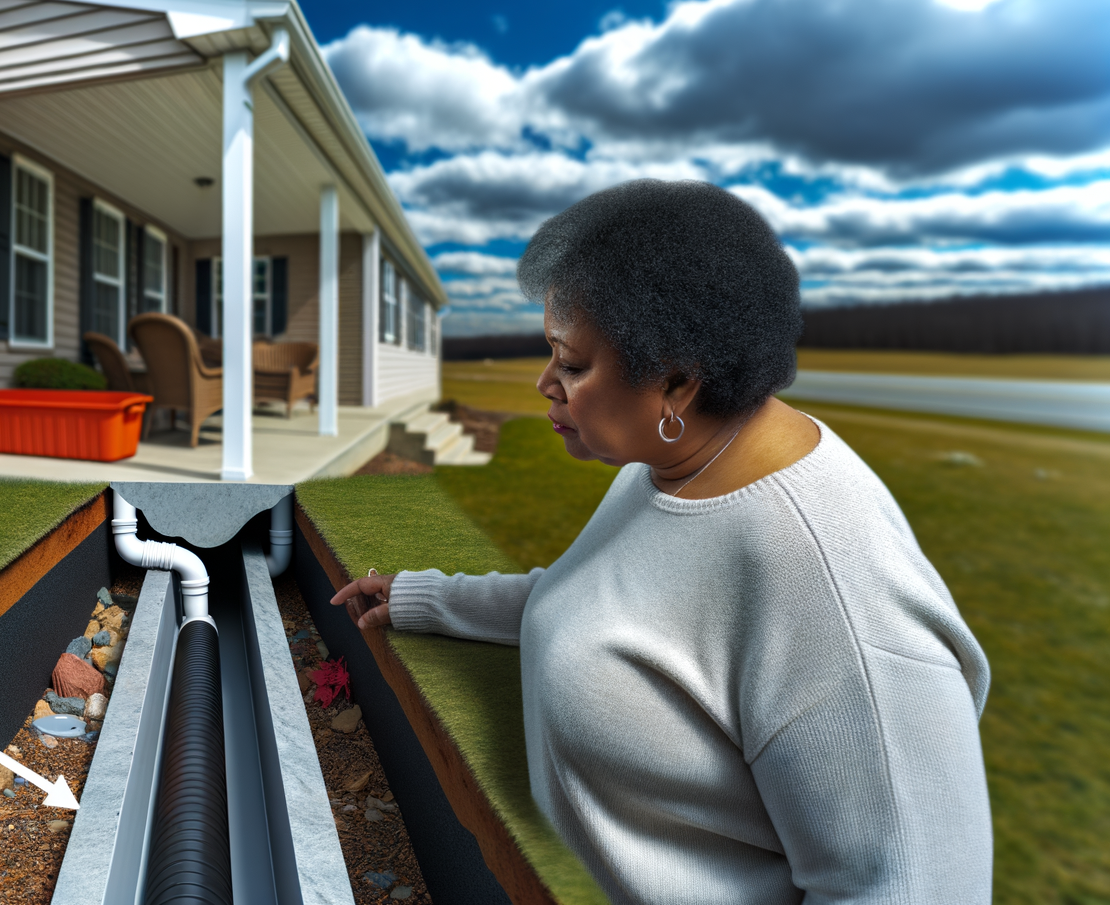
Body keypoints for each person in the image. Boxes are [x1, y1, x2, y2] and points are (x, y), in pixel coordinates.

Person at [332, 180, 992, 904]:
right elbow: (607, 598)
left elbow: (915, 882)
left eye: (574, 364)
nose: (546, 382)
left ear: (676, 379)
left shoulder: (829, 581)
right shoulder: (677, 462)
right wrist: (425, 597)